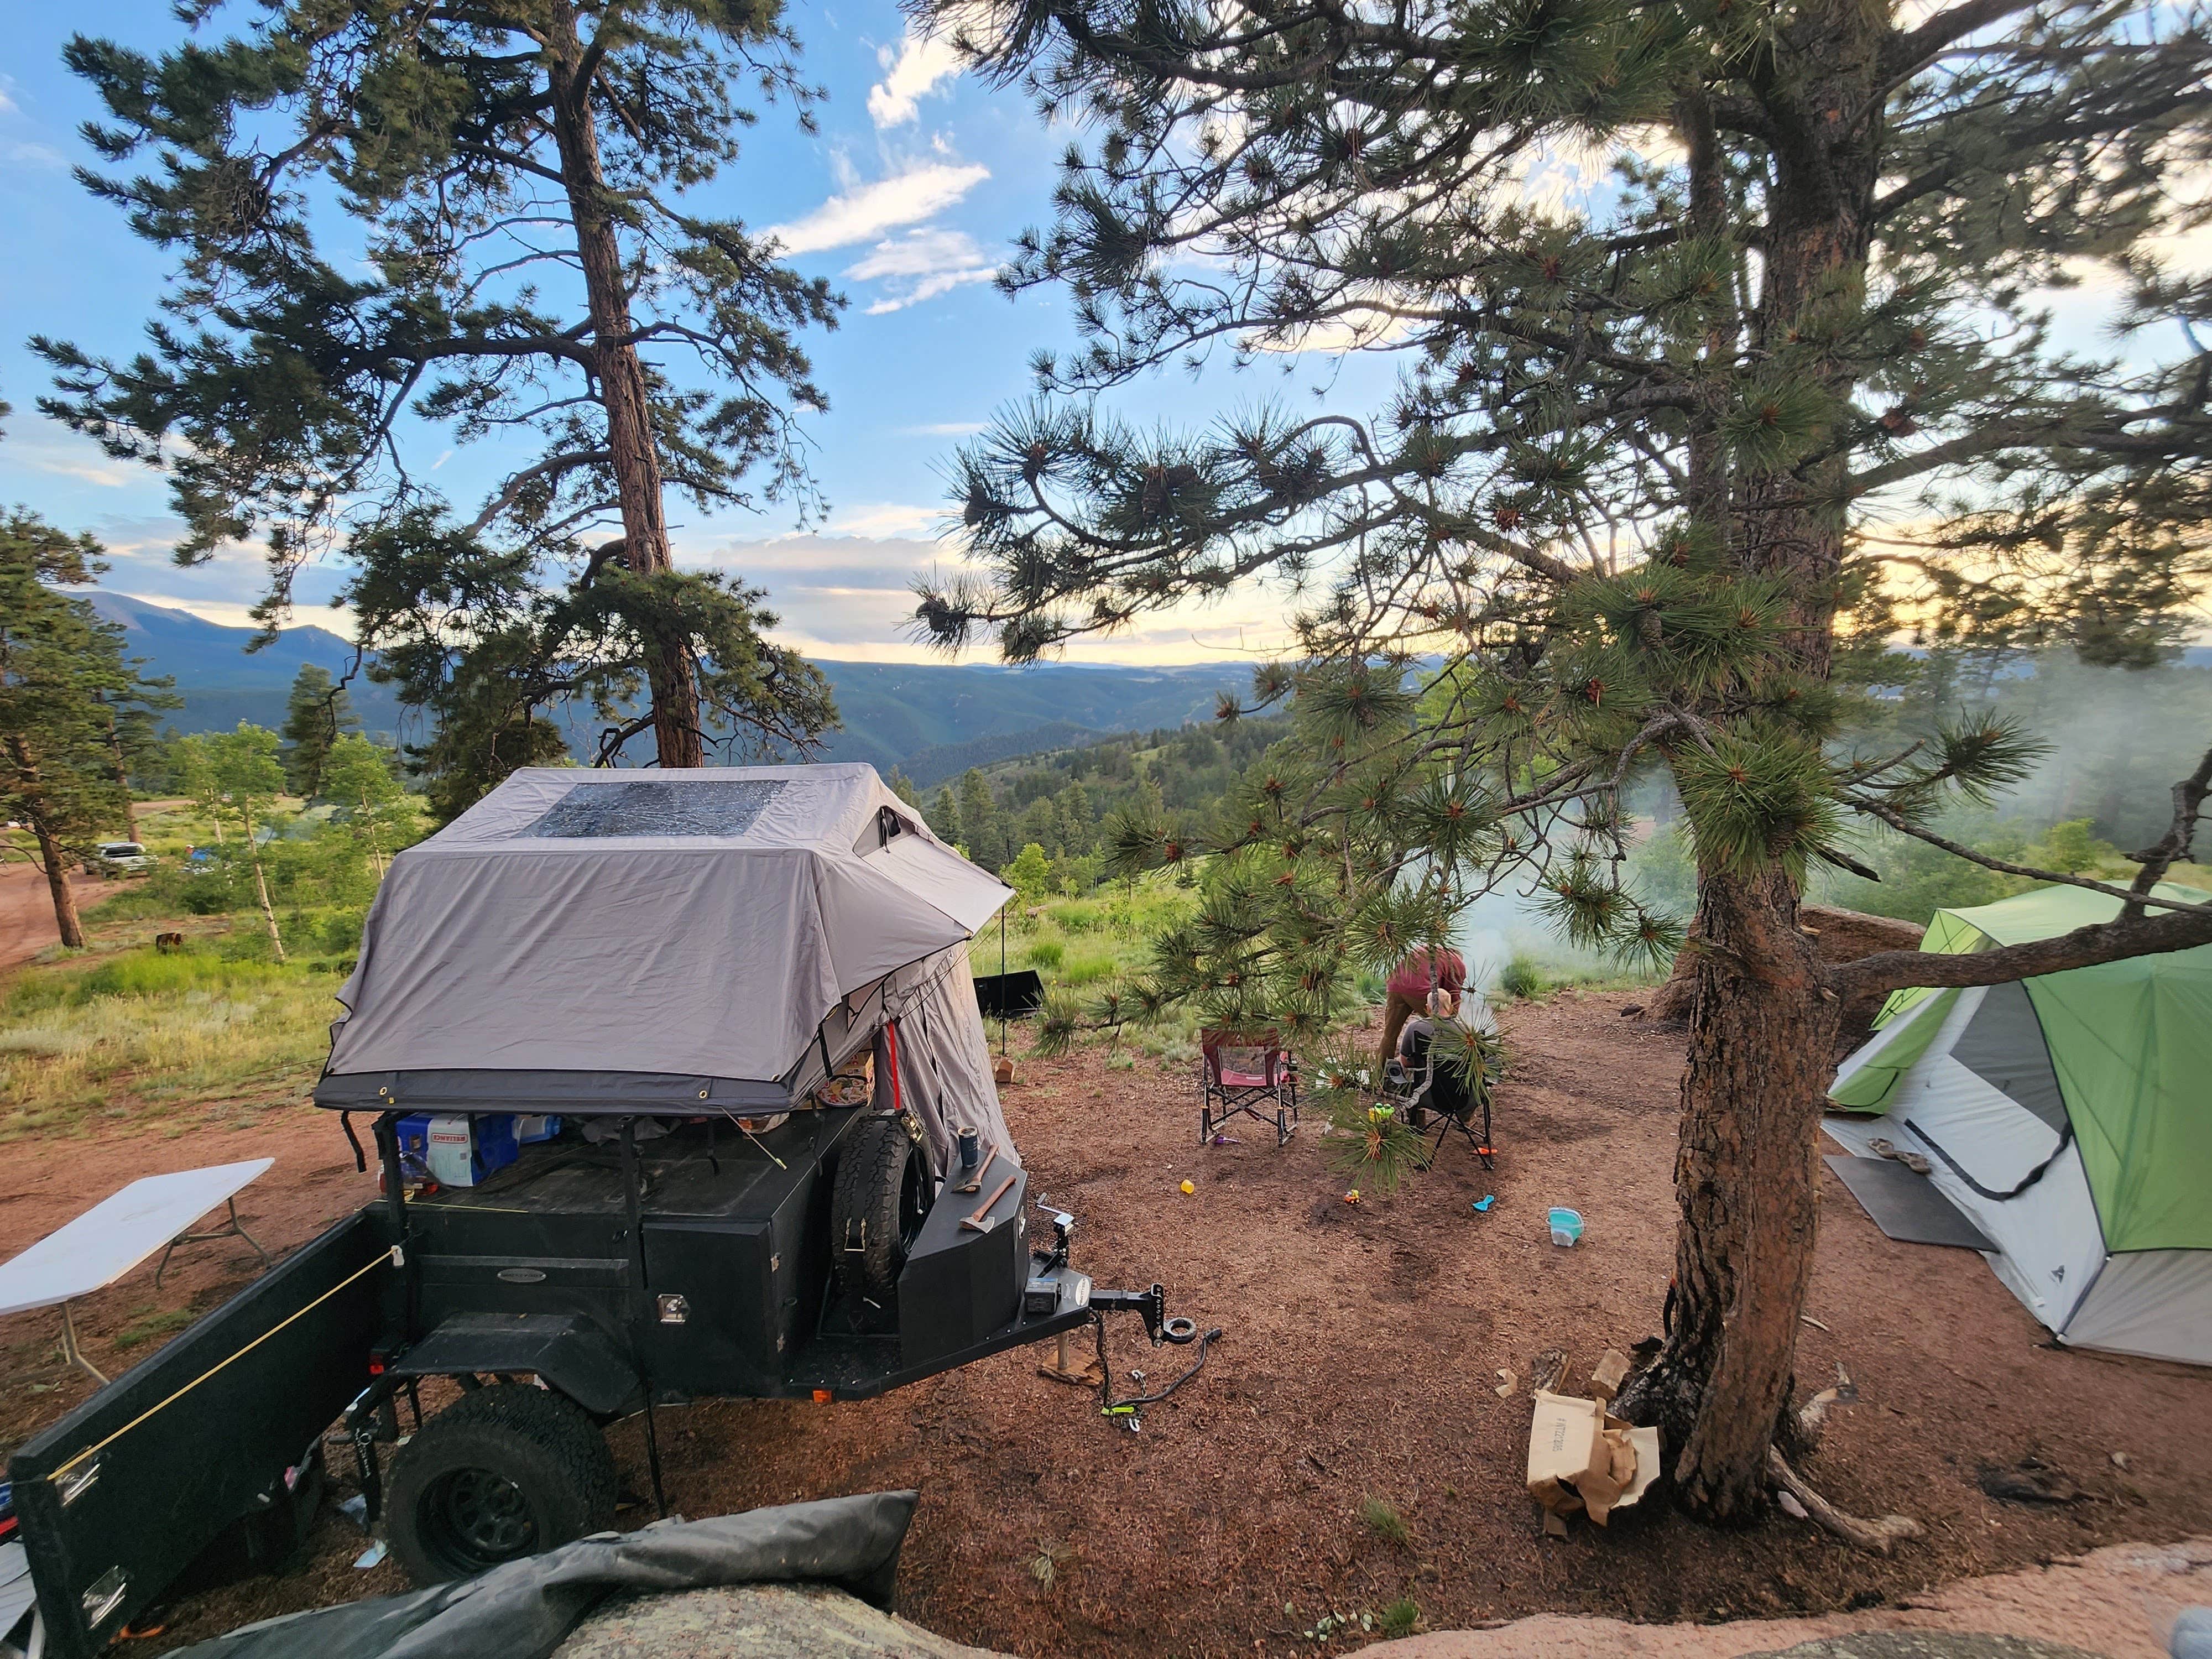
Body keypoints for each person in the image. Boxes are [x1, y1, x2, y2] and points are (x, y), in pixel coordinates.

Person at [1377, 945, 1465, 1066]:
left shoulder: (1428, 949)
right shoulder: (1457, 961)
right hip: (1420, 989)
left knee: (1390, 1034)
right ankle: (1444, 1065)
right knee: (1443, 1027)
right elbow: (1453, 994)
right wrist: (1453, 1020)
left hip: (1395, 985)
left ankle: (1381, 1073)